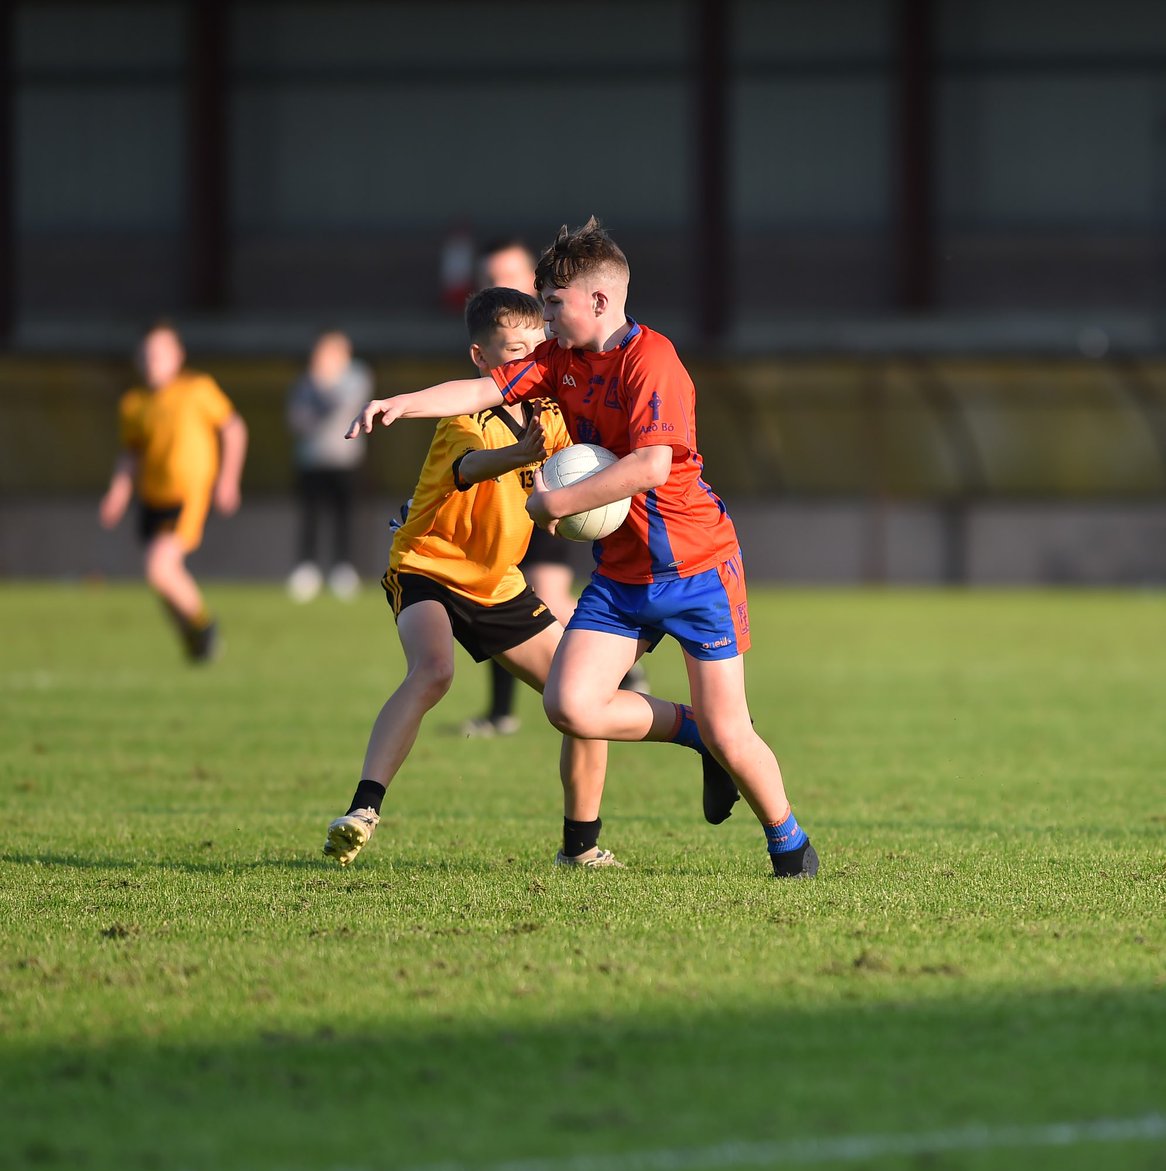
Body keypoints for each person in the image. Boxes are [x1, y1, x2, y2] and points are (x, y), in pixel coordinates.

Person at [347, 218, 818, 879]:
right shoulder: (560, 361)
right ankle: (695, 739)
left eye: (553, 305)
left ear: (599, 300)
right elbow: (484, 388)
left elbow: (652, 465)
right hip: (622, 576)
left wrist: (554, 504)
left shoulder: (652, 362)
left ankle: (790, 846)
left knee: (732, 730)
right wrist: (400, 402)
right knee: (568, 705)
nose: (544, 318)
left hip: (697, 568)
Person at [324, 287, 616, 868]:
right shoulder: (466, 416)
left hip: (496, 580)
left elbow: (561, 486)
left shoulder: (552, 415)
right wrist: (516, 457)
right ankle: (362, 809)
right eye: (512, 352)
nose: (525, 362)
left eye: (536, 349)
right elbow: (469, 467)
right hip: (428, 565)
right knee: (433, 670)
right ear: (481, 359)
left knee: (584, 702)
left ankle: (580, 848)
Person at [463, 240, 646, 738]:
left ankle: (620, 670)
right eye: (488, 277)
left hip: (556, 483)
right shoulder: (510, 343)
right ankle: (504, 710)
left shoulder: (560, 345)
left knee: (542, 593)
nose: (496, 286)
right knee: (506, 591)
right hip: (514, 497)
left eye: (507, 275)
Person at [98, 321, 248, 663]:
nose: (153, 360)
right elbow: (131, 454)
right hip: (153, 498)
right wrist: (117, 493)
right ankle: (194, 641)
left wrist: (228, 478)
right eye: (147, 354)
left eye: (160, 353)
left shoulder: (197, 389)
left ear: (177, 356)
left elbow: (234, 428)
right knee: (161, 579)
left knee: (158, 568)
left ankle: (206, 628)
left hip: (188, 494)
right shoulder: (135, 403)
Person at [285, 330, 374, 602]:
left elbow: (342, 406)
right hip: (312, 460)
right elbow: (296, 419)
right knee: (310, 516)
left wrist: (322, 384)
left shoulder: (356, 376)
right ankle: (307, 568)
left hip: (345, 460)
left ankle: (343, 568)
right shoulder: (306, 381)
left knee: (345, 516)